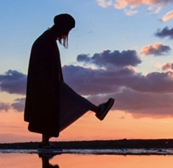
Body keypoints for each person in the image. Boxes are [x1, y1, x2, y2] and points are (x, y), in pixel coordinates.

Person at [24, 14, 115, 149]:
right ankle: (98, 110)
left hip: (47, 83)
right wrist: (49, 85)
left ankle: (45, 143)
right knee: (67, 101)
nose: (67, 34)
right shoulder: (47, 41)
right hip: (47, 84)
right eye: (68, 30)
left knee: (50, 112)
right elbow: (44, 67)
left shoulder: (47, 39)